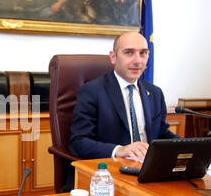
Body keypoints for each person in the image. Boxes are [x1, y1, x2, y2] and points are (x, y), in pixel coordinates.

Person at [69, 32, 180, 161]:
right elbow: (78, 142)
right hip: (110, 169)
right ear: (113, 57)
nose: (138, 60)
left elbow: (161, 134)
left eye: (143, 53)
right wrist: (119, 150)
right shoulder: (92, 91)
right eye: (129, 52)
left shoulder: (155, 93)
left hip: (147, 167)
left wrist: (188, 146)